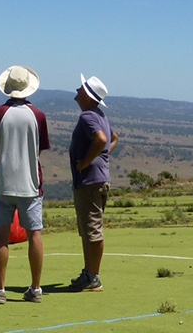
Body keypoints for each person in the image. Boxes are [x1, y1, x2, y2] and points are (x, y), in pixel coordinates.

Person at [0, 65, 50, 304]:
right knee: (35, 234)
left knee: (1, 236)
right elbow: (40, 149)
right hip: (31, 183)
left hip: (3, 182)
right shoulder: (38, 115)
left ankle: (0, 290)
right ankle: (36, 289)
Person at [67, 74, 118, 293]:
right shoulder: (100, 115)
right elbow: (114, 138)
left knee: (93, 230)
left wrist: (86, 162)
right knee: (88, 230)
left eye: (81, 87)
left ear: (88, 95)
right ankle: (88, 273)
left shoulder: (88, 117)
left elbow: (103, 140)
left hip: (90, 181)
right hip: (96, 179)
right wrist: (101, 158)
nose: (77, 89)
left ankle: (93, 277)